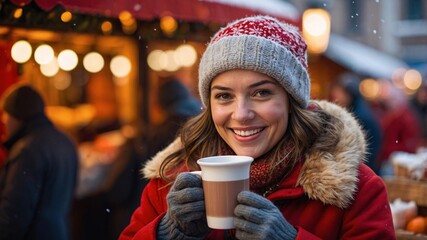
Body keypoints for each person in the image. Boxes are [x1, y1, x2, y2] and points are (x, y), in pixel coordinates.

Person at [119, 16, 396, 239]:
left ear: (291, 101)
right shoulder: (170, 181)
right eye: (224, 96)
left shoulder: (357, 189)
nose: (241, 114)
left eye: (261, 93)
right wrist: (166, 233)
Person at [0, 84, 78, 240]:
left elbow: (15, 212)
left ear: (17, 116)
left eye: (6, 114)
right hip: (60, 232)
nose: (4, 121)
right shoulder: (65, 141)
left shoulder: (27, 149)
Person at [329, 72, 383, 174]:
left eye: (339, 92)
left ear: (350, 94)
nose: (335, 96)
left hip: (363, 173)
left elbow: (367, 153)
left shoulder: (360, 117)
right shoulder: (354, 111)